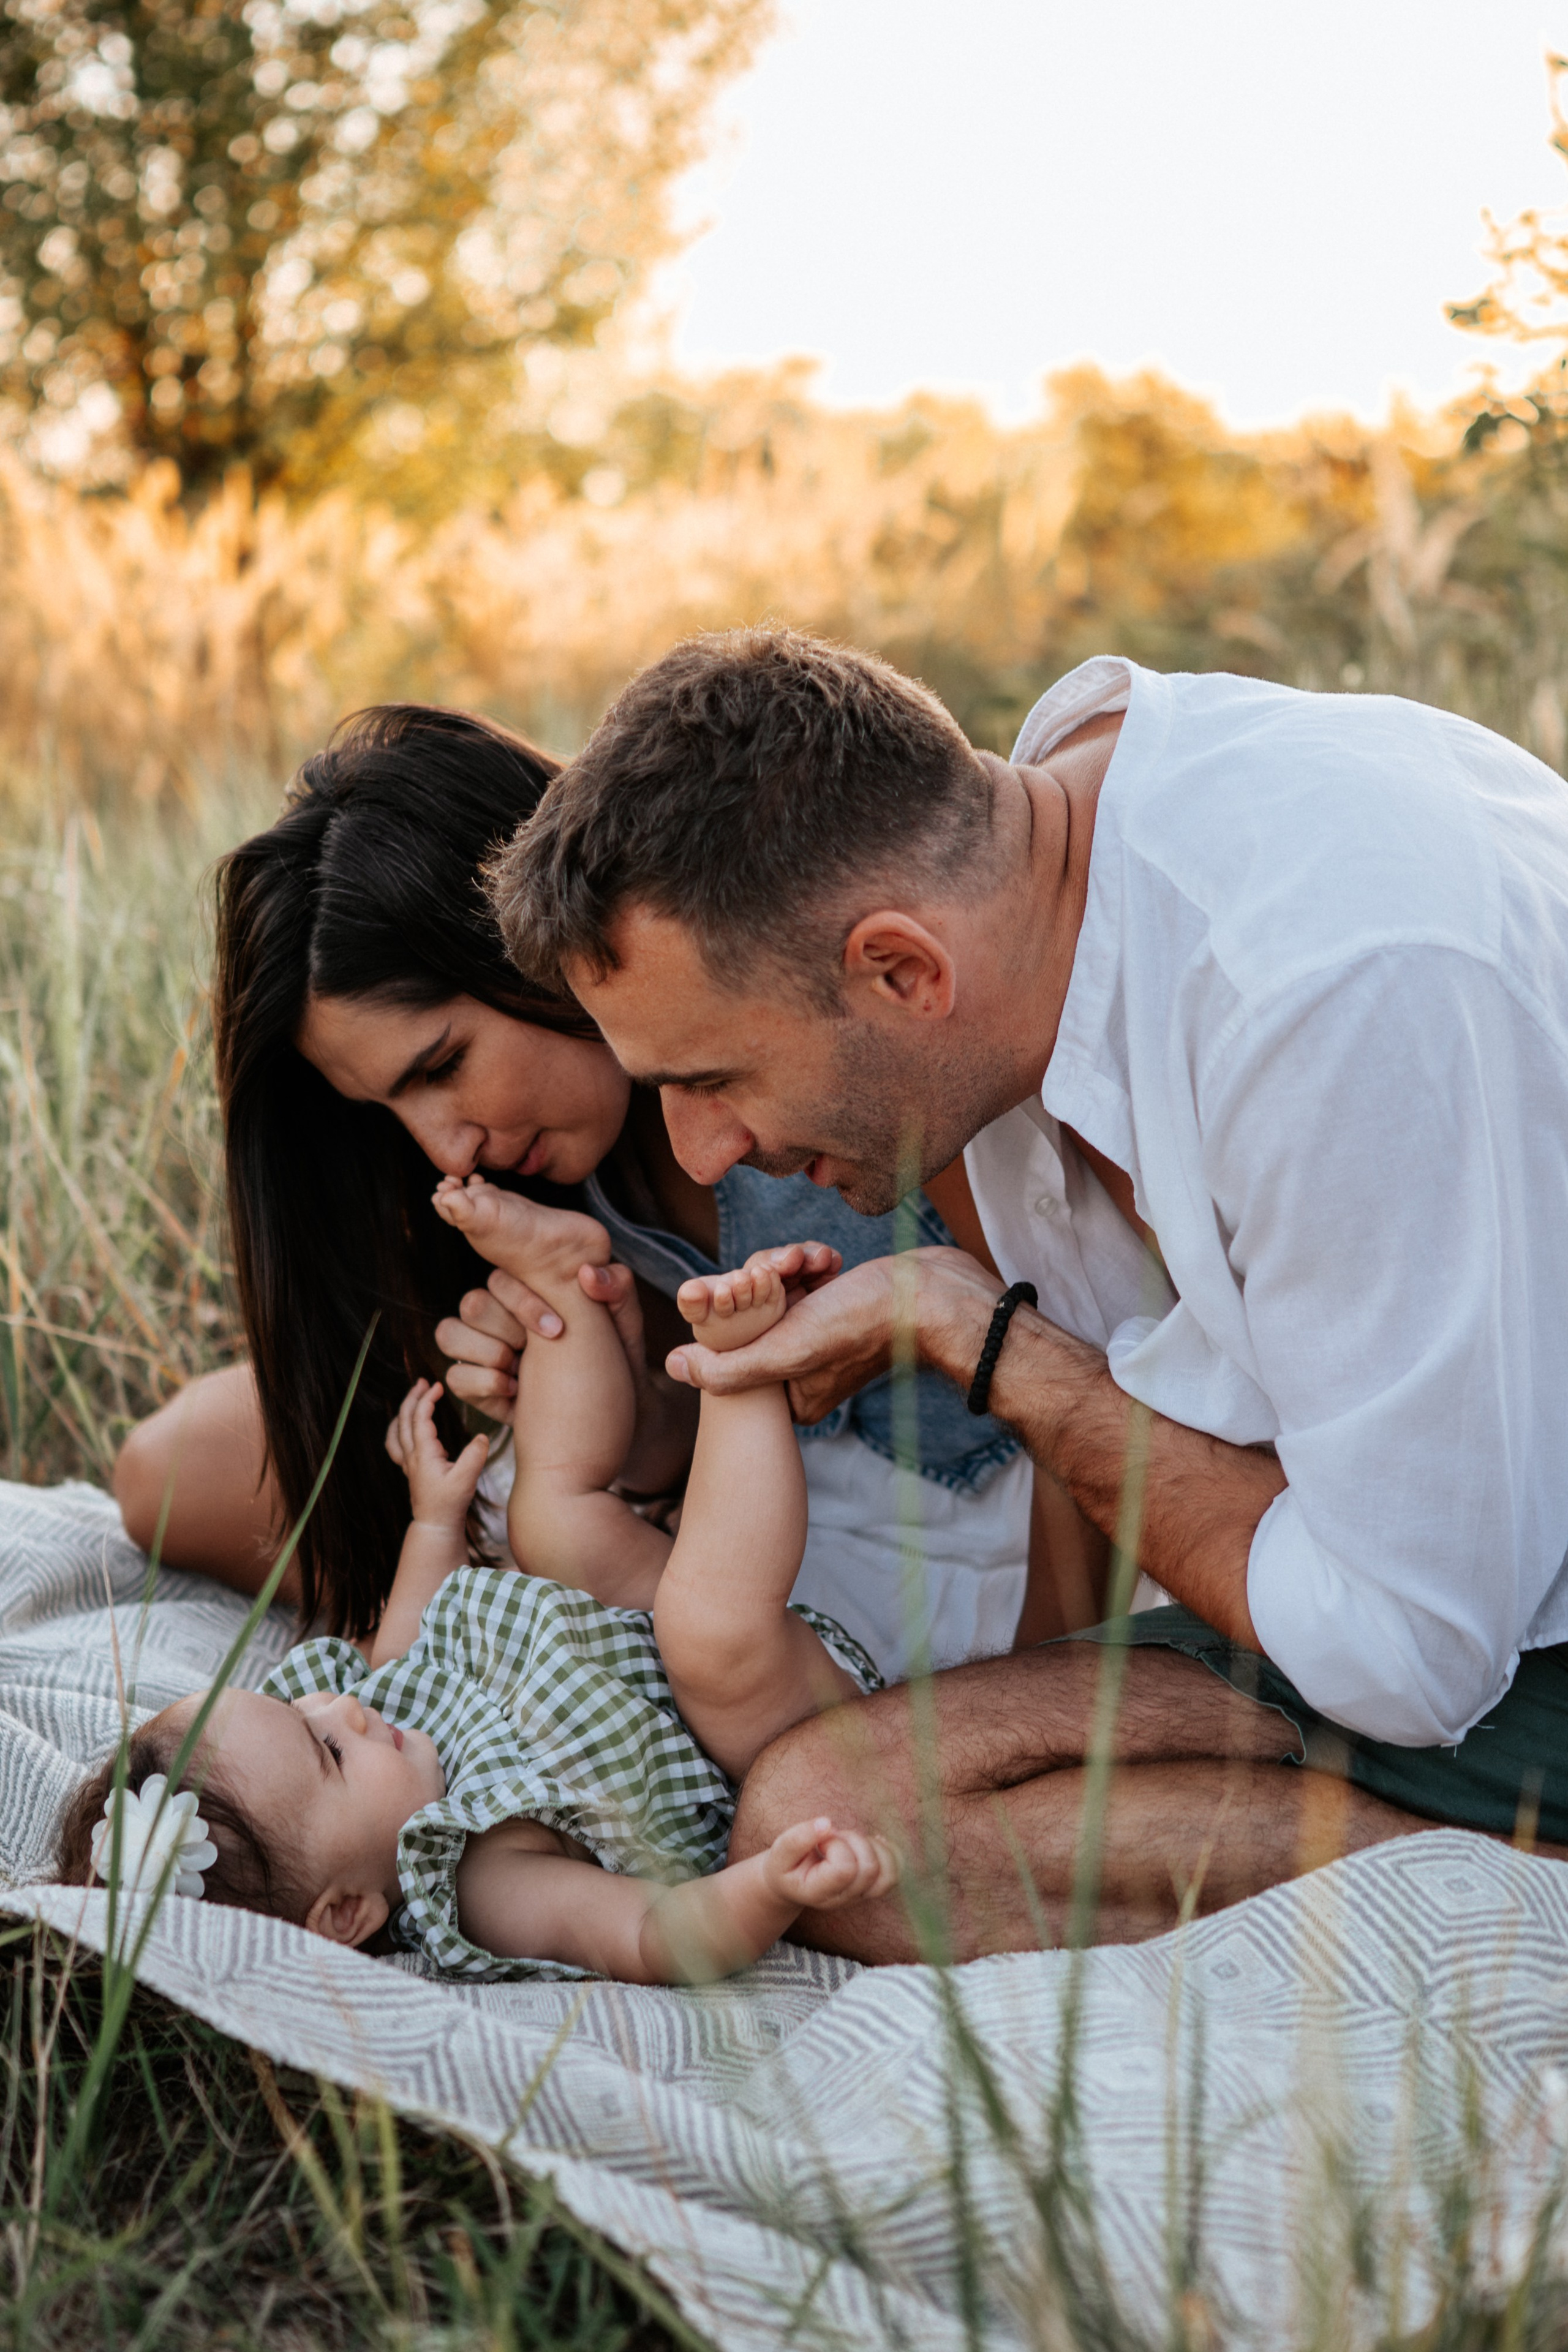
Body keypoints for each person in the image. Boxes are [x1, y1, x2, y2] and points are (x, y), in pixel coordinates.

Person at [481, 627, 1568, 1948]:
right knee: (830, 1821)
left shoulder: (1320, 990)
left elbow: (1410, 1656)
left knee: (852, 1842)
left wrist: (979, 1337)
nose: (705, 1155)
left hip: (1489, 1618)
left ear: (901, 971)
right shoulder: (1028, 871)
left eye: (708, 1081)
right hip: (1413, 1577)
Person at [112, 704, 1055, 1686]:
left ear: (522, 939)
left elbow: (1074, 1343)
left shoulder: (834, 1039)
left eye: (444, 1063)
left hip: (1004, 1511)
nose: (446, 1147)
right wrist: (589, 1390)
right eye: (388, 1109)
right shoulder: (550, 1179)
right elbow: (683, 1448)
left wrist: (1045, 1679)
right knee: (175, 1471)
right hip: (763, 1518)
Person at [58, 1196, 896, 1983]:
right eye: (328, 1751)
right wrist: (771, 1887)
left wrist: (435, 1519)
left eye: (298, 1711)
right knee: (713, 1626)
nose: (337, 1708)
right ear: (346, 1914)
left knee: (552, 1517)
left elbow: (407, 1636)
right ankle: (741, 1370)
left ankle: (561, 1285)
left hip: (638, 1632)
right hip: (760, 1728)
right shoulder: (487, 1876)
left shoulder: (378, 1717)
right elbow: (653, 1934)